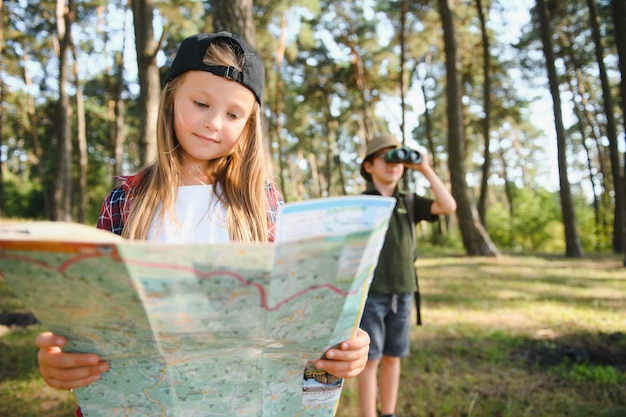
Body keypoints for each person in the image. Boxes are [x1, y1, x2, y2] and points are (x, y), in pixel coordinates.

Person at [34, 32, 370, 413]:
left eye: (233, 114)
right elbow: (88, 318)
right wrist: (60, 359)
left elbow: (297, 314)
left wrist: (346, 345)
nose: (213, 123)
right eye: (200, 103)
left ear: (249, 125)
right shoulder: (125, 200)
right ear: (171, 98)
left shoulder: (264, 204)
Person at [356, 133, 456, 417]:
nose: (393, 164)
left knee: (392, 356)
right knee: (370, 358)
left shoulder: (409, 201)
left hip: (403, 291)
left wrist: (424, 167)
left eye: (398, 158)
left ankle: (388, 413)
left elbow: (448, 206)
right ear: (368, 166)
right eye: (385, 158)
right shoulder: (362, 202)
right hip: (370, 293)